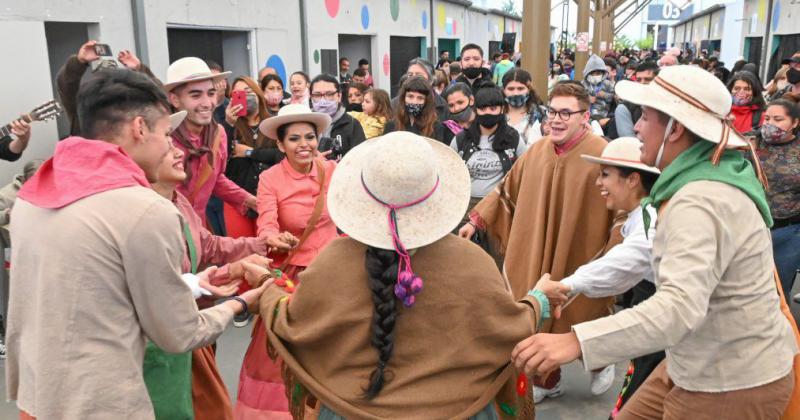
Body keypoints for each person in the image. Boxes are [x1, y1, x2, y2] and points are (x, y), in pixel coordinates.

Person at [513, 65, 798, 419]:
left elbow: (678, 307)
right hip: (699, 360)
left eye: (645, 117)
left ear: (675, 129)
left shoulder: (698, 200)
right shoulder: (704, 179)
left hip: (728, 381)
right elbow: (637, 258)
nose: (636, 127)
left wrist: (576, 341)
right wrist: (572, 286)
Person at [5, 68, 268, 420]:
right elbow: (179, 334)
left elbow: (98, 290)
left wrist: (198, 282)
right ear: (139, 129)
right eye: (164, 133)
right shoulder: (144, 208)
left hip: (40, 396)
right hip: (102, 403)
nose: (169, 146)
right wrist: (239, 304)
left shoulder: (34, 194)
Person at [249, 131, 550, 419]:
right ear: (436, 193)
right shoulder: (472, 262)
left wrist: (265, 282)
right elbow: (510, 325)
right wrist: (539, 299)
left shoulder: (332, 261)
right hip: (457, 410)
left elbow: (292, 322)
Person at [458, 81, 616, 403]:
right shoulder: (539, 149)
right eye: (552, 112)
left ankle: (601, 360)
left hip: (580, 246)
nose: (556, 119)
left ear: (585, 116)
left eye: (566, 113)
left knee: (583, 308)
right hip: (536, 246)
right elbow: (508, 187)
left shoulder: (602, 153)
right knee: (536, 307)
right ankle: (549, 379)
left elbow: (625, 202)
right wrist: (477, 220)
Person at [534, 137, 662, 417]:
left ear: (632, 180)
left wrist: (567, 284)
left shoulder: (651, 216)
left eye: (605, 175)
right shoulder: (641, 214)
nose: (598, 184)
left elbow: (628, 261)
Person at [145, 144, 269, 420]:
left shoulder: (179, 201)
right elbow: (163, 288)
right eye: (166, 148)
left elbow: (206, 246)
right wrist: (236, 292)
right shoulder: (142, 215)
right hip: (162, 343)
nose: (180, 154)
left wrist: (255, 248)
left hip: (191, 329)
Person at [236, 104, 339, 419]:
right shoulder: (270, 178)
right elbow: (265, 222)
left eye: (310, 136)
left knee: (336, 346)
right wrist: (273, 237)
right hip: (292, 278)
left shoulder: (332, 171)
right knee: (280, 352)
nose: (304, 144)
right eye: (294, 139)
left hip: (333, 272)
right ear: (280, 145)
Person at [165, 57, 257, 223]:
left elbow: (215, 180)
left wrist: (250, 200)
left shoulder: (217, 134)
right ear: (175, 100)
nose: (207, 103)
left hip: (199, 231)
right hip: (168, 233)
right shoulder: (163, 139)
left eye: (211, 93)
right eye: (196, 95)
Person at [451, 86, 526, 229]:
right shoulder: (462, 139)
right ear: (476, 110)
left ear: (502, 109)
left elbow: (526, 168)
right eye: (483, 109)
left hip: (498, 205)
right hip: (465, 205)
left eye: (493, 109)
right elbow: (449, 170)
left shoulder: (513, 138)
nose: (488, 113)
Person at [222, 76, 285, 238]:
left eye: (248, 92)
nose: (244, 96)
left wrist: (250, 153)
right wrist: (228, 124)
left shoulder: (273, 123)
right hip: (237, 200)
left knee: (270, 248)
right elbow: (221, 156)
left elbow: (281, 155)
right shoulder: (228, 126)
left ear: (258, 94)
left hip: (271, 199)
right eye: (238, 93)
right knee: (242, 250)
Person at [56, 40, 158, 136]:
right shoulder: (84, 108)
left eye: (112, 80)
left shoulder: (132, 109)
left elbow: (160, 97)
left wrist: (140, 69)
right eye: (101, 80)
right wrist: (78, 61)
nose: (107, 85)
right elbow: (66, 84)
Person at [752, 97, 800, 298]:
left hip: (788, 232)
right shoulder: (750, 144)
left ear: (795, 123)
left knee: (777, 291)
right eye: (767, 118)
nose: (770, 124)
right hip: (750, 229)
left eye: (778, 119)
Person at [309, 74, 366, 160]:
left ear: (339, 96)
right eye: (317, 95)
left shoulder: (352, 124)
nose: (323, 100)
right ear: (311, 97)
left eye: (329, 94)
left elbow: (360, 159)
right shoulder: (304, 125)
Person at [384, 76, 452, 144]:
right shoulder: (391, 125)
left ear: (426, 101)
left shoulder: (436, 127)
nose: (414, 102)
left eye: (420, 98)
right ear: (403, 98)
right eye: (410, 96)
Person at [608, 61, 658, 139]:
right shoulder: (625, 108)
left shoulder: (665, 105)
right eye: (639, 80)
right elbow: (630, 142)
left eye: (648, 79)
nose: (642, 83)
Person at [503, 68, 547, 145]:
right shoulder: (496, 113)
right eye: (511, 89)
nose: (516, 93)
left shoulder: (542, 114)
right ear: (504, 90)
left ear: (529, 90)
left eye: (520, 88)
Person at [727, 70, 766, 136]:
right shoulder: (720, 112)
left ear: (754, 92)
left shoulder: (763, 116)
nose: (741, 92)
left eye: (747, 89)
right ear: (730, 90)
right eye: (737, 88)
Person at [582, 54, 616, 125]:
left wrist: (604, 95)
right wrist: (587, 98)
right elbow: (577, 97)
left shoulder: (608, 84)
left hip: (602, 115)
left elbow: (613, 97)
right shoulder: (583, 84)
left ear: (603, 73)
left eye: (598, 73)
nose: (595, 76)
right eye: (592, 73)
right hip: (585, 114)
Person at [208, 60, 230, 126]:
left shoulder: (230, 106)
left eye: (217, 80)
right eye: (211, 80)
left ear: (225, 82)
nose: (214, 84)